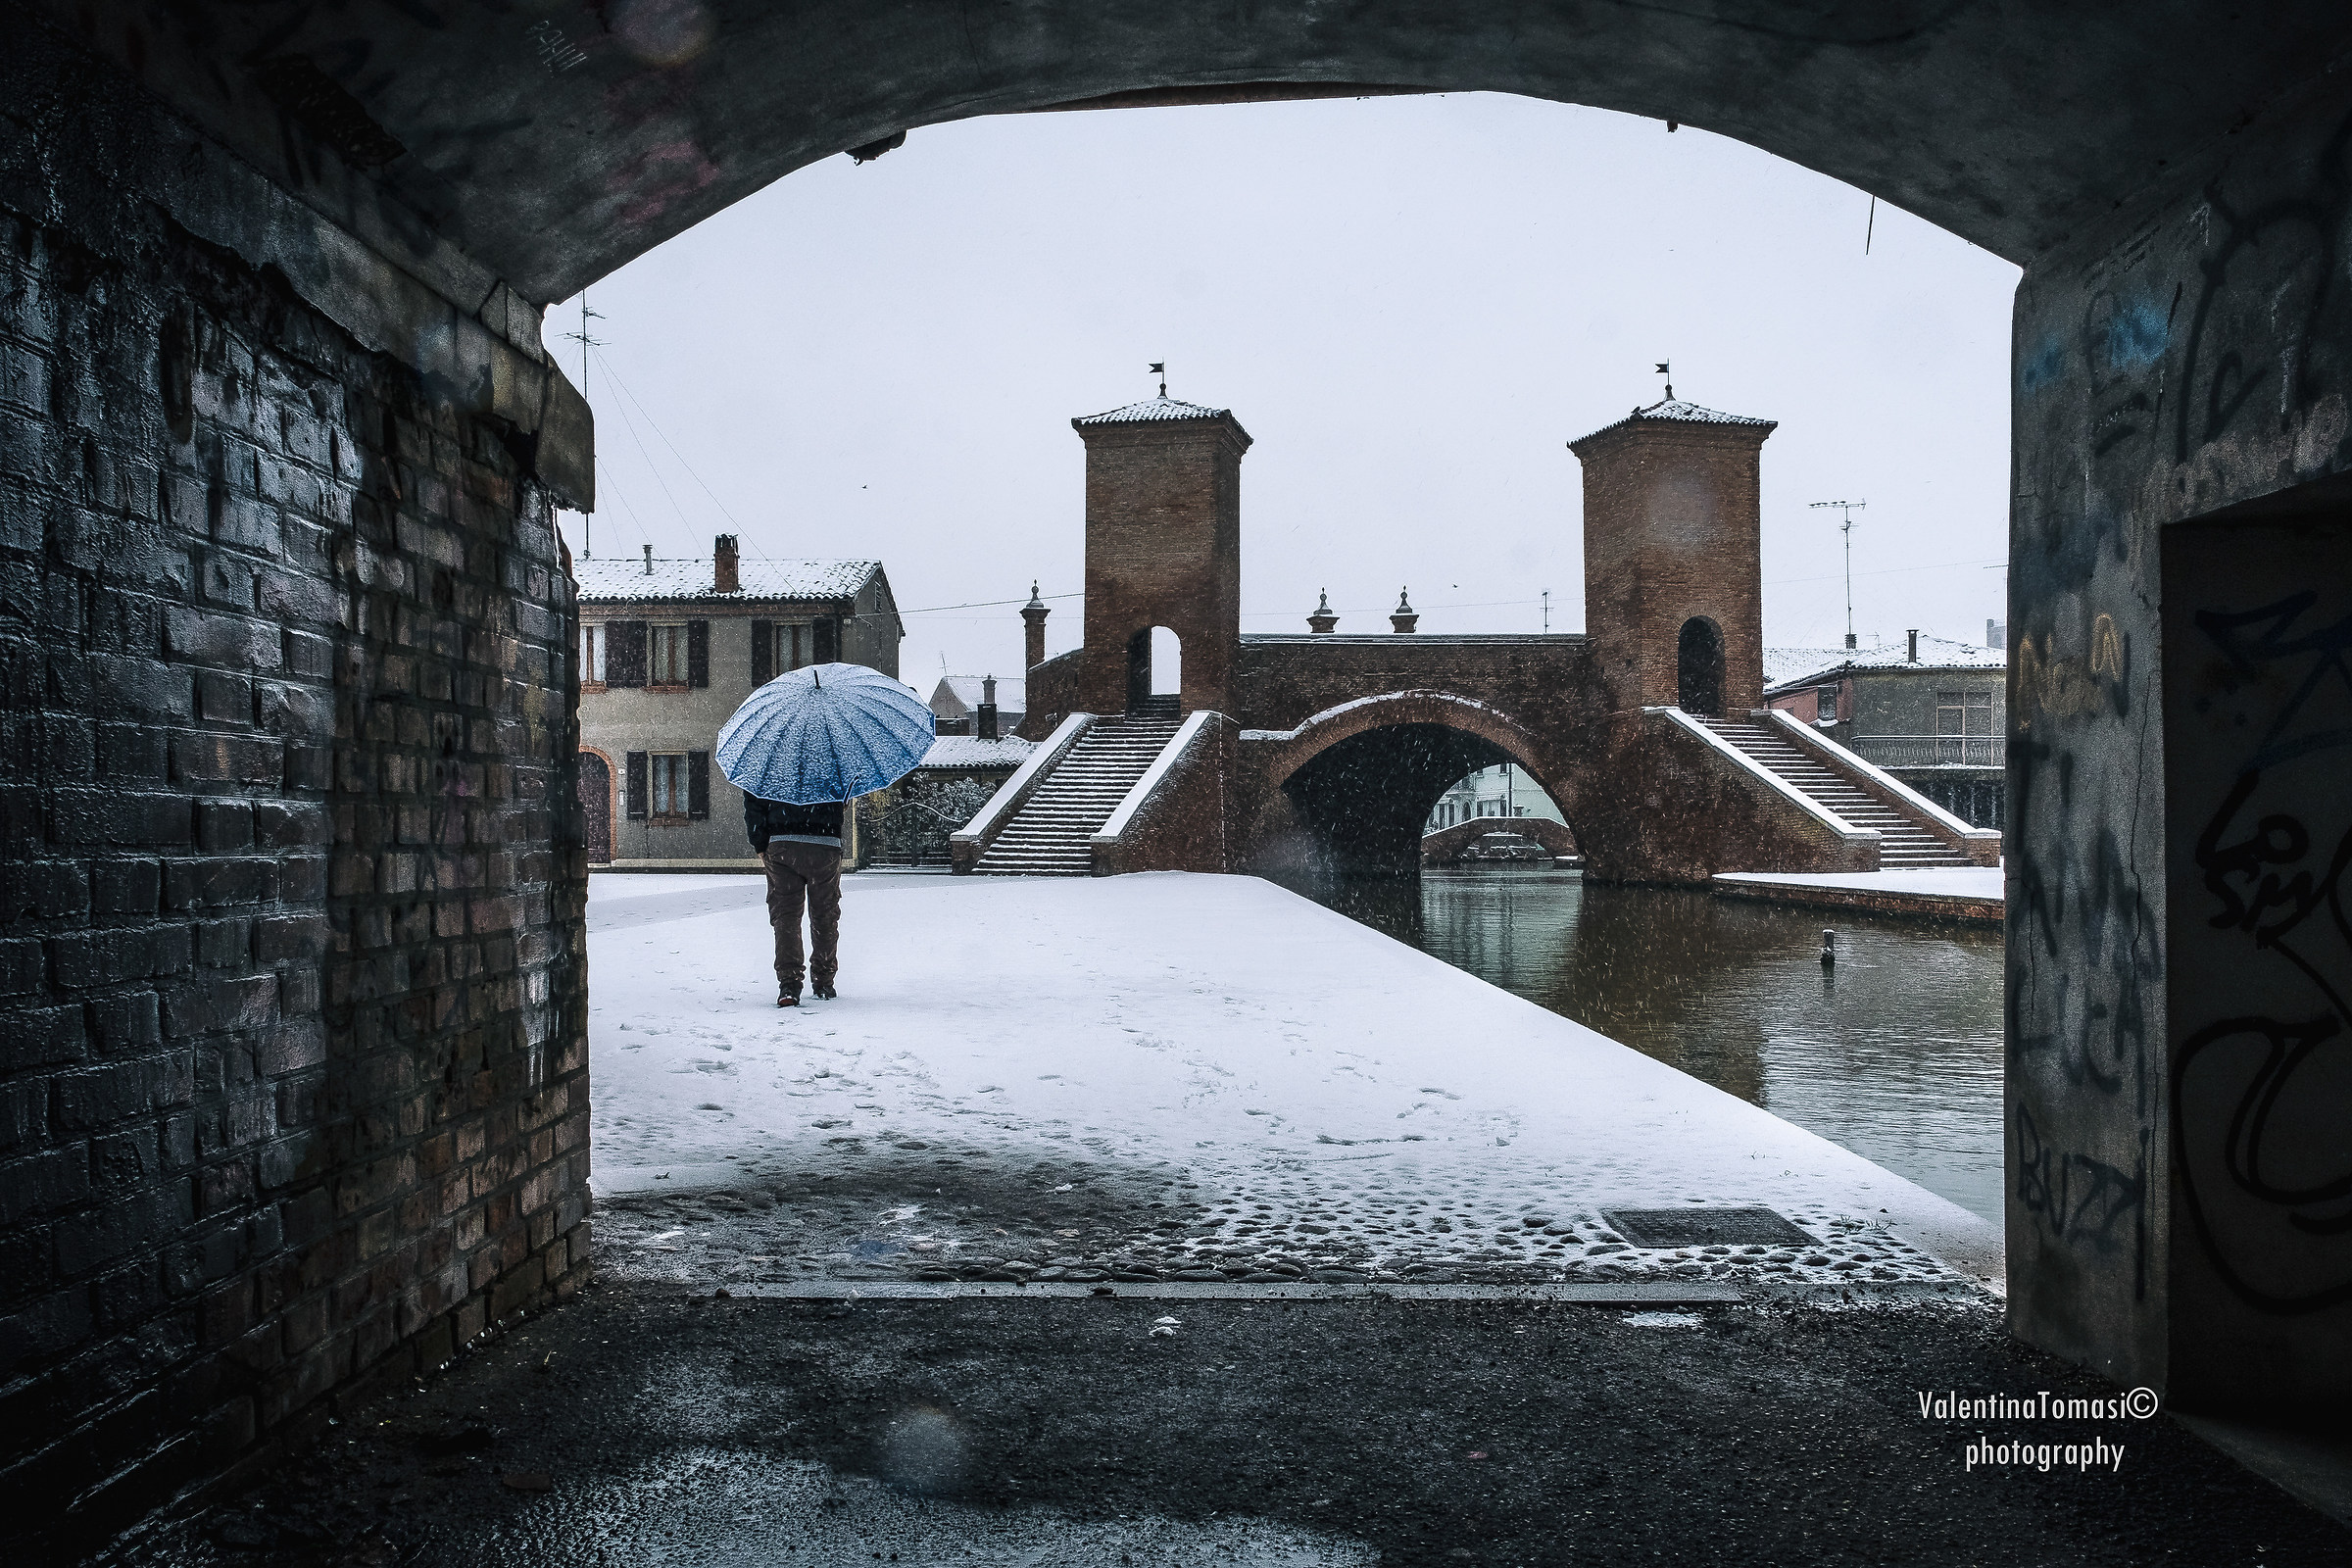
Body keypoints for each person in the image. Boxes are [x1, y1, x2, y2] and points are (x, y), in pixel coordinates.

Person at [745, 793, 845, 1006]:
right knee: (824, 914)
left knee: (785, 916)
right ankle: (824, 981)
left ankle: (789, 983)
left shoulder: (768, 762)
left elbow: (753, 801)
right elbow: (843, 795)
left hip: (782, 843)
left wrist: (760, 842)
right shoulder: (832, 761)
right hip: (825, 841)